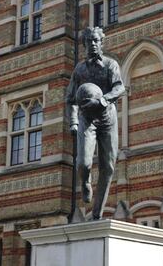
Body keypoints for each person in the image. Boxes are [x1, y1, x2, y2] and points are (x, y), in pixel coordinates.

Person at [65, 27, 125, 220]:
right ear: (84, 45)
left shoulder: (110, 65)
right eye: (89, 41)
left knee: (108, 167)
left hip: (107, 117)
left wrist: (102, 100)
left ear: (101, 43)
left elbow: (120, 87)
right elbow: (70, 99)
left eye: (95, 40)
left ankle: (97, 212)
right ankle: (85, 182)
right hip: (87, 119)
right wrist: (73, 122)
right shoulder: (79, 70)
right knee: (83, 162)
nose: (92, 44)